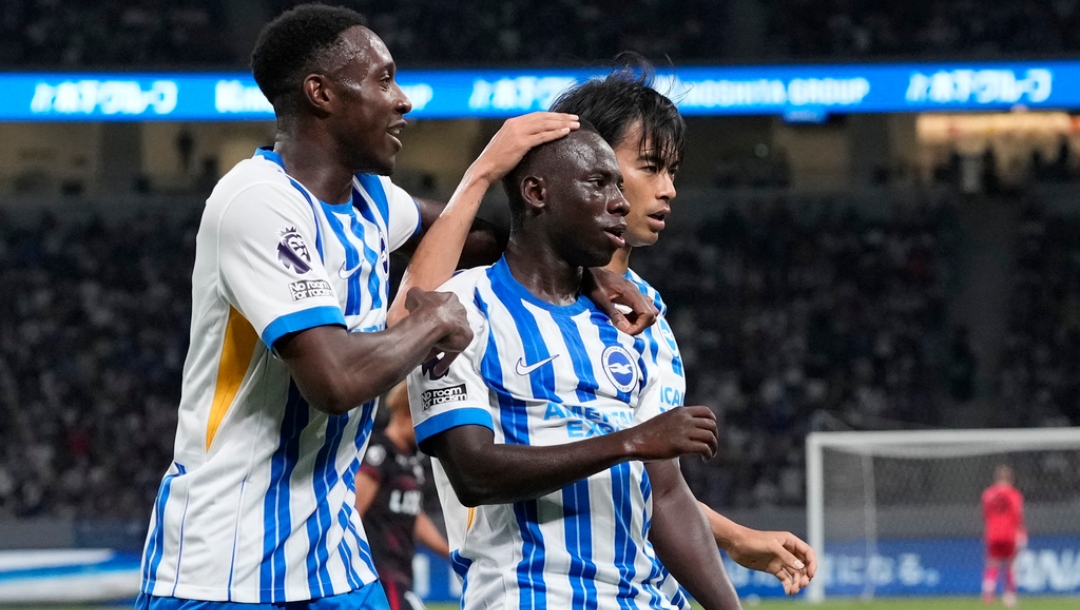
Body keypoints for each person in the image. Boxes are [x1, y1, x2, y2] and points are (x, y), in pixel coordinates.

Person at [135, 5, 652, 610]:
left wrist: (583, 275)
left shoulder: (371, 202)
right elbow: (334, 379)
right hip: (225, 568)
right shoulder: (257, 201)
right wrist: (433, 318)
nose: (403, 100)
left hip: (336, 561)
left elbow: (478, 240)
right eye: (383, 81)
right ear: (321, 94)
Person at [388, 61, 816, 596]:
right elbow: (406, 323)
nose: (668, 190)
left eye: (672, 172)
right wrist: (482, 173)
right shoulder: (477, 288)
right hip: (526, 584)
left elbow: (644, 481)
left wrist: (731, 536)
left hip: (644, 588)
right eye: (649, 167)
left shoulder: (647, 315)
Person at [407, 124, 741, 609]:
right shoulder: (461, 308)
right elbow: (472, 473)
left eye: (618, 186)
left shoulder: (627, 319)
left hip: (641, 597)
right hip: (532, 594)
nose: (619, 203)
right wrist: (630, 442)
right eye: (599, 184)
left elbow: (666, 496)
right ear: (537, 192)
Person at [355, 382, 449, 610]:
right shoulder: (379, 453)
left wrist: (450, 553)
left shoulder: (411, 462)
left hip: (400, 572)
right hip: (378, 574)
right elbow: (354, 512)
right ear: (407, 414)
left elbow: (415, 515)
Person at [982, 464, 1026, 607]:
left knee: (992, 563)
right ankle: (1009, 596)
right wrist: (1021, 532)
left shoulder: (988, 494)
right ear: (1011, 479)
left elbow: (986, 514)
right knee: (1010, 565)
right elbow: (1018, 515)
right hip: (1009, 533)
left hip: (993, 533)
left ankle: (988, 594)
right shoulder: (1014, 494)